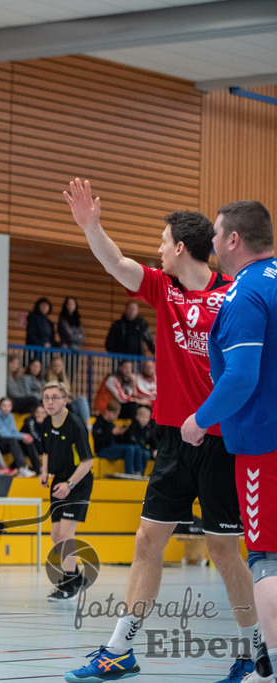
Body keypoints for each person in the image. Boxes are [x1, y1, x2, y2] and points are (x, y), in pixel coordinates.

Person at [63, 179, 266, 683]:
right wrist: (92, 226)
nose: (156, 249)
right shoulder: (164, 288)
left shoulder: (235, 294)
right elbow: (117, 263)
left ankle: (254, 648)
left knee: (223, 549)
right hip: (175, 438)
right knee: (147, 539)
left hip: (222, 439)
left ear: (180, 247)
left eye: (161, 240)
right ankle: (119, 651)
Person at [181, 200, 277, 683]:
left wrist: (199, 420)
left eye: (217, 236)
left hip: (264, 446)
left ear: (234, 240)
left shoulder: (246, 295)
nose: (213, 244)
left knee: (266, 558)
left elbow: (240, 377)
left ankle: (272, 670)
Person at [37, 382, 94, 601]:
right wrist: (44, 472)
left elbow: (87, 462)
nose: (49, 402)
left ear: (65, 400)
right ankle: (77, 578)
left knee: (65, 535)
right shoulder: (46, 423)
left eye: (54, 397)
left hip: (77, 483)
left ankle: (69, 585)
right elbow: (45, 451)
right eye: (46, 398)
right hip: (58, 481)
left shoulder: (75, 425)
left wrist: (69, 485)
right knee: (55, 535)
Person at [92, 401, 145, 476]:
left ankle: (138, 472)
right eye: (114, 414)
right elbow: (99, 442)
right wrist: (112, 433)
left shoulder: (112, 424)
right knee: (129, 449)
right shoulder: (98, 424)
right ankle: (129, 473)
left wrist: (121, 433)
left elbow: (119, 443)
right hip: (102, 450)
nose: (116, 417)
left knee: (137, 448)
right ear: (107, 411)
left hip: (112, 448)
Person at [0, 397, 38, 476]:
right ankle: (22, 468)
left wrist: (23, 436)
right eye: (4, 405)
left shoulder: (10, 416)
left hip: (8, 442)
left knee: (27, 441)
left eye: (9, 406)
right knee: (13, 440)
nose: (6, 408)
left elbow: (13, 431)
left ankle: (38, 469)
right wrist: (21, 436)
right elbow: (3, 434)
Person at [44, 355, 91, 425]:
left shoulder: (64, 379)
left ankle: (88, 424)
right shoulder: (47, 379)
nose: (57, 367)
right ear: (51, 366)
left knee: (82, 399)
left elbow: (69, 394)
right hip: (58, 405)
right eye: (55, 365)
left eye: (59, 366)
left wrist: (70, 397)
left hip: (68, 403)